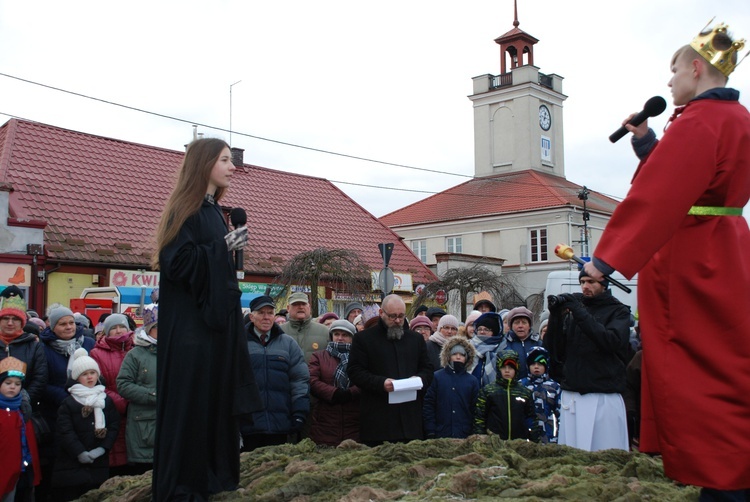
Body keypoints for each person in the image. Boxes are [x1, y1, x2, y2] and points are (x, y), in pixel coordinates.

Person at [583, 21, 750, 497]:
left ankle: (721, 481)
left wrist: (605, 260)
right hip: (727, 248)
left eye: (674, 70)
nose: (670, 81)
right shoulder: (738, 118)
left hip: (695, 258)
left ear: (696, 68)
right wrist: (648, 145)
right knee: (729, 362)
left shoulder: (699, 120)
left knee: (699, 371)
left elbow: (659, 196)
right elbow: (698, 182)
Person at [151, 138, 261, 501]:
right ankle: (185, 486)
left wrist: (223, 248)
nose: (232, 167)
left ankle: (216, 475)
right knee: (192, 407)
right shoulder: (186, 209)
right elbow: (177, 263)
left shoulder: (215, 211)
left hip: (215, 331)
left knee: (215, 404)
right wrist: (222, 249)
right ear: (204, 163)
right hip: (191, 335)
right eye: (225, 160)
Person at [544, 270, 631, 452]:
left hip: (603, 396)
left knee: (606, 452)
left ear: (604, 284)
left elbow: (610, 342)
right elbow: (554, 350)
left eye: (591, 281)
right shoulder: (575, 311)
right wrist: (556, 317)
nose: (585, 286)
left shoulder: (619, 311)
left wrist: (580, 312)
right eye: (582, 281)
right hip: (574, 394)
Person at [347, 294, 434, 446]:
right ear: (381, 313)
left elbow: (427, 369)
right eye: (393, 316)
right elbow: (355, 371)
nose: (398, 321)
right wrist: (381, 383)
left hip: (410, 421)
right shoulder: (364, 339)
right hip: (378, 423)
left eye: (401, 316)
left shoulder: (415, 339)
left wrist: (419, 379)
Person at [38, 306, 95, 502]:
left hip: (87, 413)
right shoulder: (44, 348)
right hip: (58, 412)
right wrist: (68, 397)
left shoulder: (88, 344)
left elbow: (97, 374)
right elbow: (42, 383)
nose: (69, 327)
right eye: (62, 324)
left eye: (71, 322)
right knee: (62, 460)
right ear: (53, 327)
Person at [241, 295, 309, 451]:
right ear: (251, 316)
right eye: (261, 313)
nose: (266, 317)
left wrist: (299, 411)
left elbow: (299, 380)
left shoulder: (288, 344)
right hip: (248, 424)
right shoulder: (239, 343)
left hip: (279, 424)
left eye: (270, 313)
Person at [52, 349, 119, 502]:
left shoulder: (105, 400)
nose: (90, 377)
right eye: (84, 374)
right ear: (76, 378)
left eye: (92, 373)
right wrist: (79, 452)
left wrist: (103, 448)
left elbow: (114, 425)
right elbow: (65, 431)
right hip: (71, 464)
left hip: (98, 462)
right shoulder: (69, 403)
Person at [89, 313, 133, 476]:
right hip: (112, 413)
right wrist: (123, 404)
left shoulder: (136, 349)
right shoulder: (96, 353)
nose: (119, 330)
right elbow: (98, 385)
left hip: (135, 414)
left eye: (122, 326)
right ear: (106, 332)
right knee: (116, 460)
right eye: (113, 328)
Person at [116, 304, 158, 473]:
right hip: (145, 428)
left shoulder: (176, 352)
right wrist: (153, 395)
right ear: (150, 329)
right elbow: (123, 385)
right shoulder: (136, 355)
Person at [308, 319, 361, 446]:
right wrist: (334, 393)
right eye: (336, 334)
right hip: (325, 421)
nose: (340, 338)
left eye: (345, 335)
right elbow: (312, 381)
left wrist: (350, 393)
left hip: (354, 421)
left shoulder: (360, 357)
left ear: (352, 338)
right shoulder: (319, 356)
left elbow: (365, 380)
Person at [473, 350, 541, 442]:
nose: (507, 370)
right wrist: (481, 439)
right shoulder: (488, 391)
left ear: (516, 369)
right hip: (494, 443)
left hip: (519, 443)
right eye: (504, 367)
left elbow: (531, 419)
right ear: (498, 368)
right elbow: (480, 419)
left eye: (511, 367)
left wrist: (535, 441)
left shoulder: (525, 393)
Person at [0, 357, 41, 502]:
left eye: (17, 384)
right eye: (8, 383)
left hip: (22, 468)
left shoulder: (23, 410)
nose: (13, 387)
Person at [423, 337, 479, 439]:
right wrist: (430, 430)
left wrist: (474, 432)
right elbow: (429, 404)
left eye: (462, 355)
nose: (458, 357)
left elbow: (475, 409)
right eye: (454, 354)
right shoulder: (437, 377)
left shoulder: (472, 381)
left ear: (467, 358)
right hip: (441, 433)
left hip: (464, 434)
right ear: (448, 356)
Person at [0, 295, 48, 407]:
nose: (10, 323)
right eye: (6, 318)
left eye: (15, 319)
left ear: (22, 322)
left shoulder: (34, 346)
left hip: (23, 409)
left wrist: (23, 400)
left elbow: (40, 378)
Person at [519, 346, 561, 444]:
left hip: (549, 435)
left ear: (546, 367)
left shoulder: (554, 387)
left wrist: (558, 436)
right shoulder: (521, 385)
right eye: (533, 364)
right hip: (526, 435)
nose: (536, 367)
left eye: (540, 364)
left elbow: (560, 414)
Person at [280, 292, 330, 363]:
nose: (300, 307)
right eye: (296, 304)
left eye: (304, 304)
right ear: (288, 308)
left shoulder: (324, 332)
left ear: (309, 307)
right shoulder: (279, 331)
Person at [503, 307, 542, 380]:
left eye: (524, 322)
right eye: (517, 322)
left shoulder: (538, 344)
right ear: (511, 326)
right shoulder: (504, 344)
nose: (520, 326)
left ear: (529, 326)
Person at [469, 312, 505, 387]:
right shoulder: (468, 347)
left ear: (494, 332)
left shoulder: (502, 348)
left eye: (486, 329)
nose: (482, 332)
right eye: (479, 329)